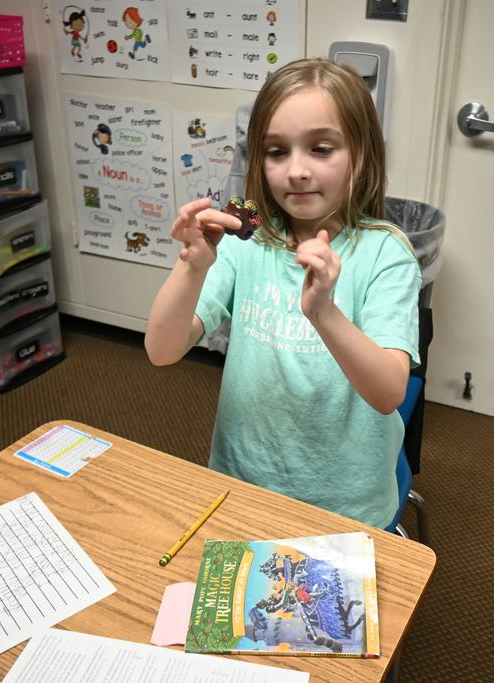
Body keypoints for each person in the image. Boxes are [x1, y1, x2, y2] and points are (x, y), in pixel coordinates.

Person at [145, 58, 421, 529]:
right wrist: (192, 266)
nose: (296, 171)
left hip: (344, 504)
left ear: (361, 154)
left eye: (320, 148)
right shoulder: (246, 241)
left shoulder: (385, 254)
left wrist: (325, 313)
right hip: (242, 484)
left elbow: (388, 393)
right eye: (276, 152)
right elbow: (162, 350)